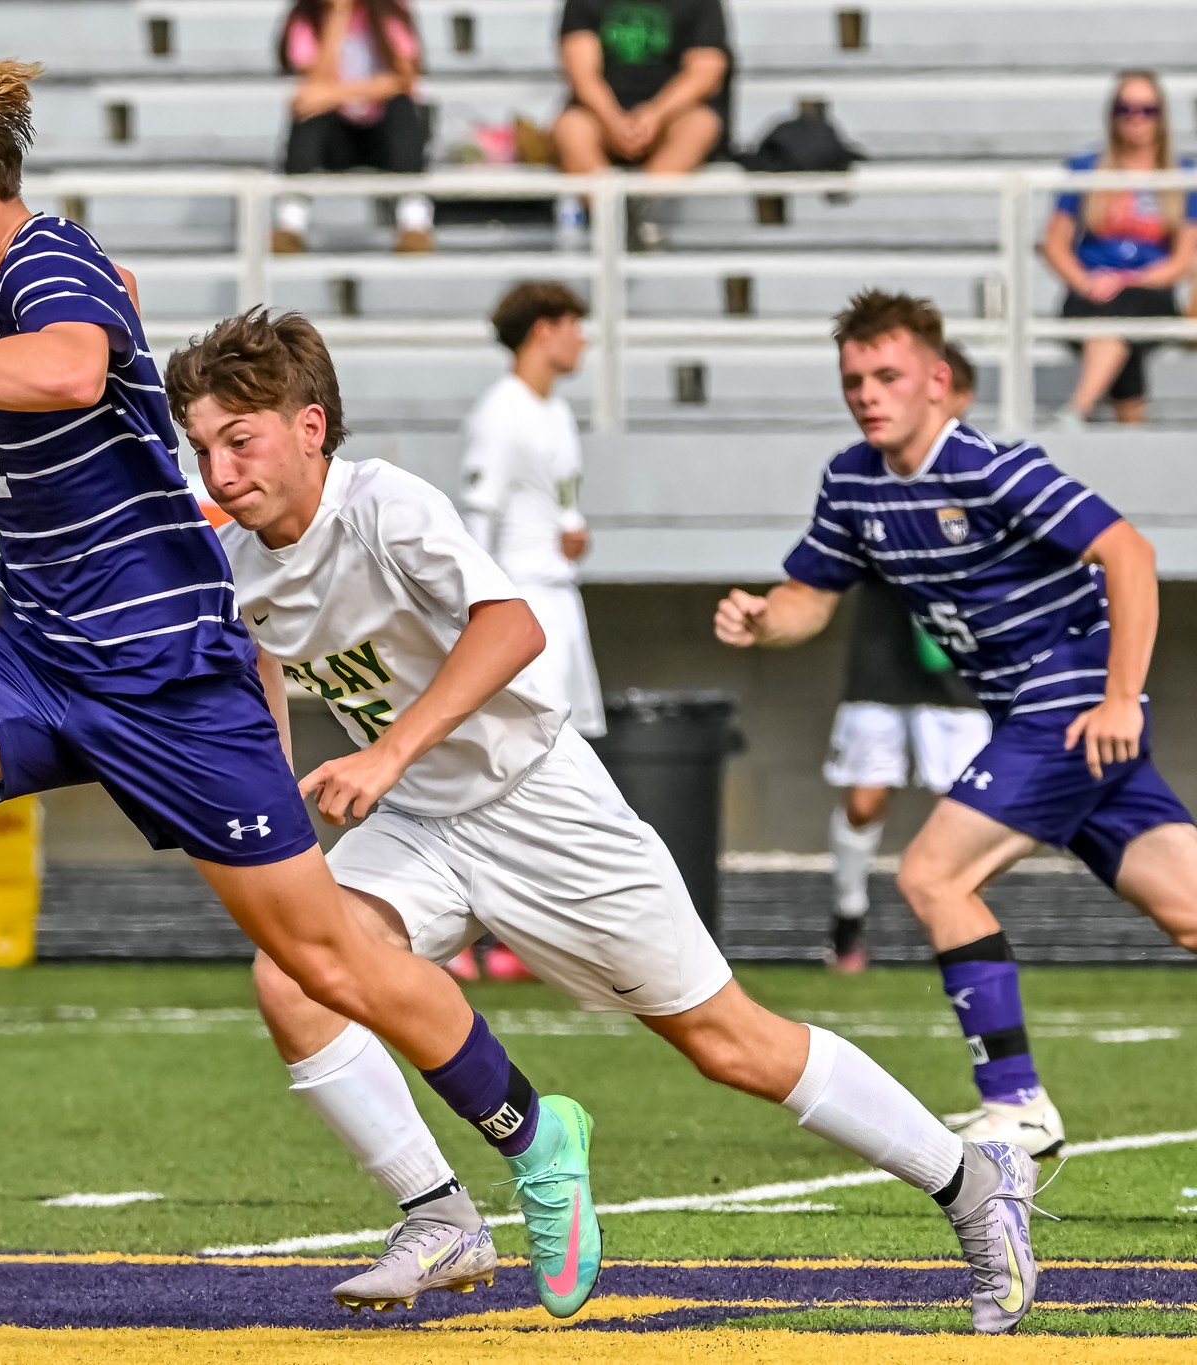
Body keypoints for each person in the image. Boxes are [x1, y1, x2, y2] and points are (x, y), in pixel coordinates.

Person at [0, 60, 605, 1321]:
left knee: (324, 962)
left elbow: (67, 369)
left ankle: (534, 1136)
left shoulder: (42, 261)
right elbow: (109, 321)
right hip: (44, 659)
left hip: (169, 682)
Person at [172, 307, 1045, 1334]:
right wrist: (273, 788)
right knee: (292, 975)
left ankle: (972, 1181)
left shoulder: (383, 506)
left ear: (310, 426)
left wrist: (387, 750)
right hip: (419, 821)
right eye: (202, 446)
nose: (219, 469)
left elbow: (513, 627)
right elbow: (261, 662)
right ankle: (439, 1213)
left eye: (240, 440)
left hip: (539, 807)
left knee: (729, 1044)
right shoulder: (233, 554)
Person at [716, 289, 1197, 1160]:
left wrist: (1122, 695)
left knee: (934, 873)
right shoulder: (852, 481)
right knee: (1188, 911)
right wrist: (762, 618)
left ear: (938, 381)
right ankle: (1016, 1105)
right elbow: (808, 599)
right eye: (855, 380)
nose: (869, 394)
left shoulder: (990, 469)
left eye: (888, 375)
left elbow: (1129, 552)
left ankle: (1017, 1104)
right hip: (1030, 713)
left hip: (1071, 701)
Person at [822, 343, 992, 973]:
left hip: (960, 674)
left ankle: (961, 930)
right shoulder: (868, 475)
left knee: (970, 812)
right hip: (883, 661)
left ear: (957, 394)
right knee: (865, 799)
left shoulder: (987, 476)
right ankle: (847, 917)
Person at [458, 281, 605, 738]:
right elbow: (478, 520)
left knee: (573, 741)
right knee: (536, 742)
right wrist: (480, 616)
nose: (582, 339)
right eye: (573, 325)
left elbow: (560, 502)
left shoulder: (557, 412)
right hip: (524, 598)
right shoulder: (500, 412)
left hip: (562, 595)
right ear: (543, 330)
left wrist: (574, 535)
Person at [1044, 69, 1197, 428]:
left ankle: (1076, 411)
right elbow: (1054, 244)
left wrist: (1128, 279)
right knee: (1117, 321)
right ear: (1112, 114)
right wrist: (1086, 282)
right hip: (1090, 291)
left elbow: (1182, 260)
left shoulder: (1183, 174)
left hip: (1151, 290)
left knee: (1123, 312)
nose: (1135, 119)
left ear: (1161, 116)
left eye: (1147, 110)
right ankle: (1132, 433)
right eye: (1125, 109)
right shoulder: (1087, 168)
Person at [552, 0, 730, 246]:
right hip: (601, 118)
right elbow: (581, 74)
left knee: (701, 124)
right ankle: (611, 214)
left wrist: (656, 114)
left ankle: (636, 210)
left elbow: (706, 71)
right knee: (570, 127)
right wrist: (613, 120)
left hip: (671, 117)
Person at [272, 0, 433, 255]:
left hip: (382, 137)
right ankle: (290, 224)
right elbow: (314, 84)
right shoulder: (305, 18)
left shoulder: (390, 9)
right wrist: (337, 17)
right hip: (335, 139)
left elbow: (404, 79)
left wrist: (334, 95)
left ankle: (414, 223)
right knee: (308, 114)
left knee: (402, 108)